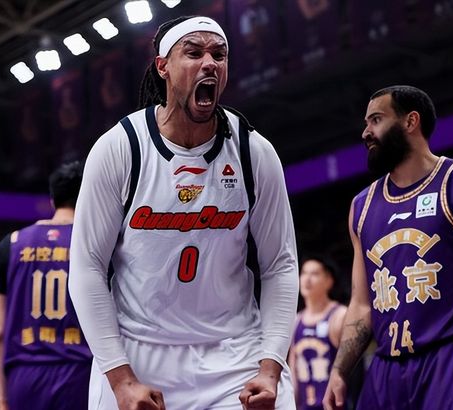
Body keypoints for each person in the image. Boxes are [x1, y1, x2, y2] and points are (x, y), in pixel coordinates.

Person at [69, 15, 299, 410]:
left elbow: (280, 264)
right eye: (193, 53)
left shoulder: (253, 151)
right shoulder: (120, 147)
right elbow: (87, 266)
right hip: (139, 353)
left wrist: (271, 366)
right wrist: (121, 380)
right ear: (162, 66)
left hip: (234, 354)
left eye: (219, 55)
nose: (210, 63)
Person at [323, 85, 453, 410]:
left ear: (411, 121)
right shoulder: (361, 206)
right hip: (386, 367)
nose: (366, 132)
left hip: (451, 358)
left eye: (376, 120)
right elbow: (362, 303)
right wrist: (340, 371)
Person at [0, 161, 91, 410]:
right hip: (81, 374)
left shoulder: (10, 244)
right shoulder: (94, 243)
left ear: (52, 200)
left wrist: (2, 396)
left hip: (24, 377)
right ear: (88, 197)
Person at [289, 256, 346, 410]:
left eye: (314, 274)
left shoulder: (340, 315)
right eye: (304, 273)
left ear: (329, 281)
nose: (307, 279)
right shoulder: (296, 321)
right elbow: (293, 373)